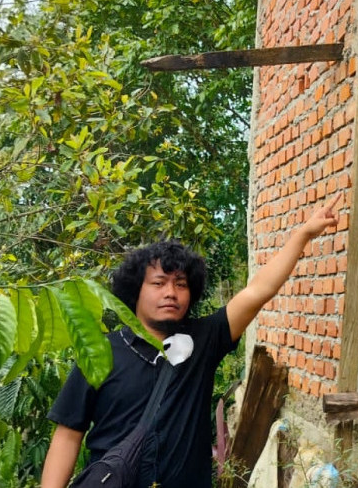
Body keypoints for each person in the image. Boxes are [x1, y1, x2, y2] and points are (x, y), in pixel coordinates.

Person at [41, 194, 341, 488]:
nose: (170, 292)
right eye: (158, 283)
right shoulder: (99, 352)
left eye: (180, 284)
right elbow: (68, 434)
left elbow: (258, 291)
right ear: (135, 291)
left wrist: (303, 234)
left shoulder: (204, 340)